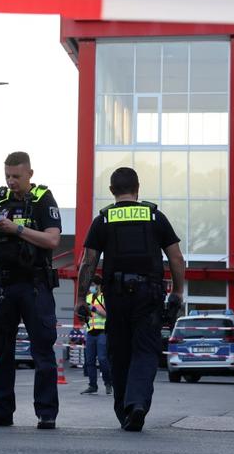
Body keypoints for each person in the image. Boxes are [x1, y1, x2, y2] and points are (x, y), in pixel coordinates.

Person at [76, 167, 186, 432]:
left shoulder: (102, 220)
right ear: (138, 188)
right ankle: (136, 404)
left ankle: (124, 407)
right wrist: (178, 292)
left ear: (112, 191)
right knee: (145, 351)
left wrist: (81, 297)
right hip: (148, 294)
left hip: (115, 295)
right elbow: (177, 259)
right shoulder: (154, 216)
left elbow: (89, 261)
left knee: (120, 352)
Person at [0, 152, 63, 429]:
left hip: (34, 284)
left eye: (17, 176)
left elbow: (52, 239)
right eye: (7, 176)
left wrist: (17, 229)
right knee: (0, 348)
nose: (11, 182)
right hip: (2, 283)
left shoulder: (42, 198)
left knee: (42, 349)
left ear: (29, 174)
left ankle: (46, 412)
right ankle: (0, 409)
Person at [78, 287, 111, 395]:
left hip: (102, 332)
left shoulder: (104, 298)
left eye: (94, 284)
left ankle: (108, 383)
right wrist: (81, 313)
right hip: (90, 332)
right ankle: (93, 385)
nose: (92, 287)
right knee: (89, 361)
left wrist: (94, 309)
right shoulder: (87, 298)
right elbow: (82, 317)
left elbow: (108, 315)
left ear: (98, 286)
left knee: (102, 359)